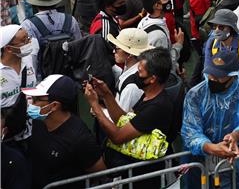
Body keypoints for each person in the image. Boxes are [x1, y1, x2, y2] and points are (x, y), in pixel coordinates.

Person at [85, 47, 181, 189]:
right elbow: (124, 120)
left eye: (140, 72)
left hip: (144, 178)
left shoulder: (158, 107)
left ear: (152, 78)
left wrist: (95, 106)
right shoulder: (147, 95)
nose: (136, 75)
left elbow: (117, 137)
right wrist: (106, 95)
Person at [182, 50, 239, 189]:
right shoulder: (196, 94)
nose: (212, 79)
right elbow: (191, 131)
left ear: (233, 76)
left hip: (235, 154)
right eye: (210, 74)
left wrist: (235, 136)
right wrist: (211, 148)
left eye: (218, 76)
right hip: (201, 160)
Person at [23, 74, 105, 189]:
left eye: (36, 100)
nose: (31, 104)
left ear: (54, 105)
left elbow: (100, 172)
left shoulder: (79, 138)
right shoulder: (38, 122)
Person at [20, 0, 82, 79]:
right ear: (56, 2)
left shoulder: (28, 24)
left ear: (36, 4)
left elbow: (30, 56)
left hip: (42, 76)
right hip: (69, 74)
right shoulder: (70, 20)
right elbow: (79, 46)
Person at [203, 9, 239, 79]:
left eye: (221, 27)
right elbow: (208, 74)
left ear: (231, 28)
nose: (216, 30)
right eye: (214, 26)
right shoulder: (211, 44)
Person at [107, 28, 152, 111]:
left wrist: (99, 109)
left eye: (117, 49)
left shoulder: (131, 87)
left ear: (130, 54)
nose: (114, 51)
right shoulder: (131, 67)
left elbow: (120, 119)